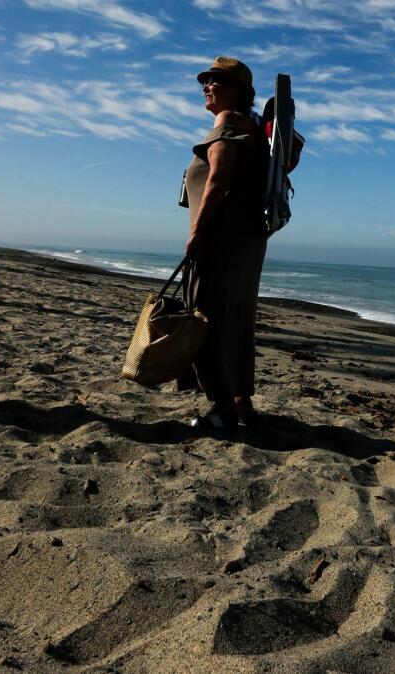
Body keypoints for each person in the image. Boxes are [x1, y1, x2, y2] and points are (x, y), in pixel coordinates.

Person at [181, 56, 268, 429]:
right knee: (237, 317)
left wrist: (198, 231)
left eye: (217, 80)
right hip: (248, 239)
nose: (207, 86)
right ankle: (241, 400)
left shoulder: (228, 120)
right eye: (206, 80)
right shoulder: (255, 128)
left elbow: (218, 179)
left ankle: (222, 405)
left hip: (220, 235)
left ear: (240, 91)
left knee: (201, 314)